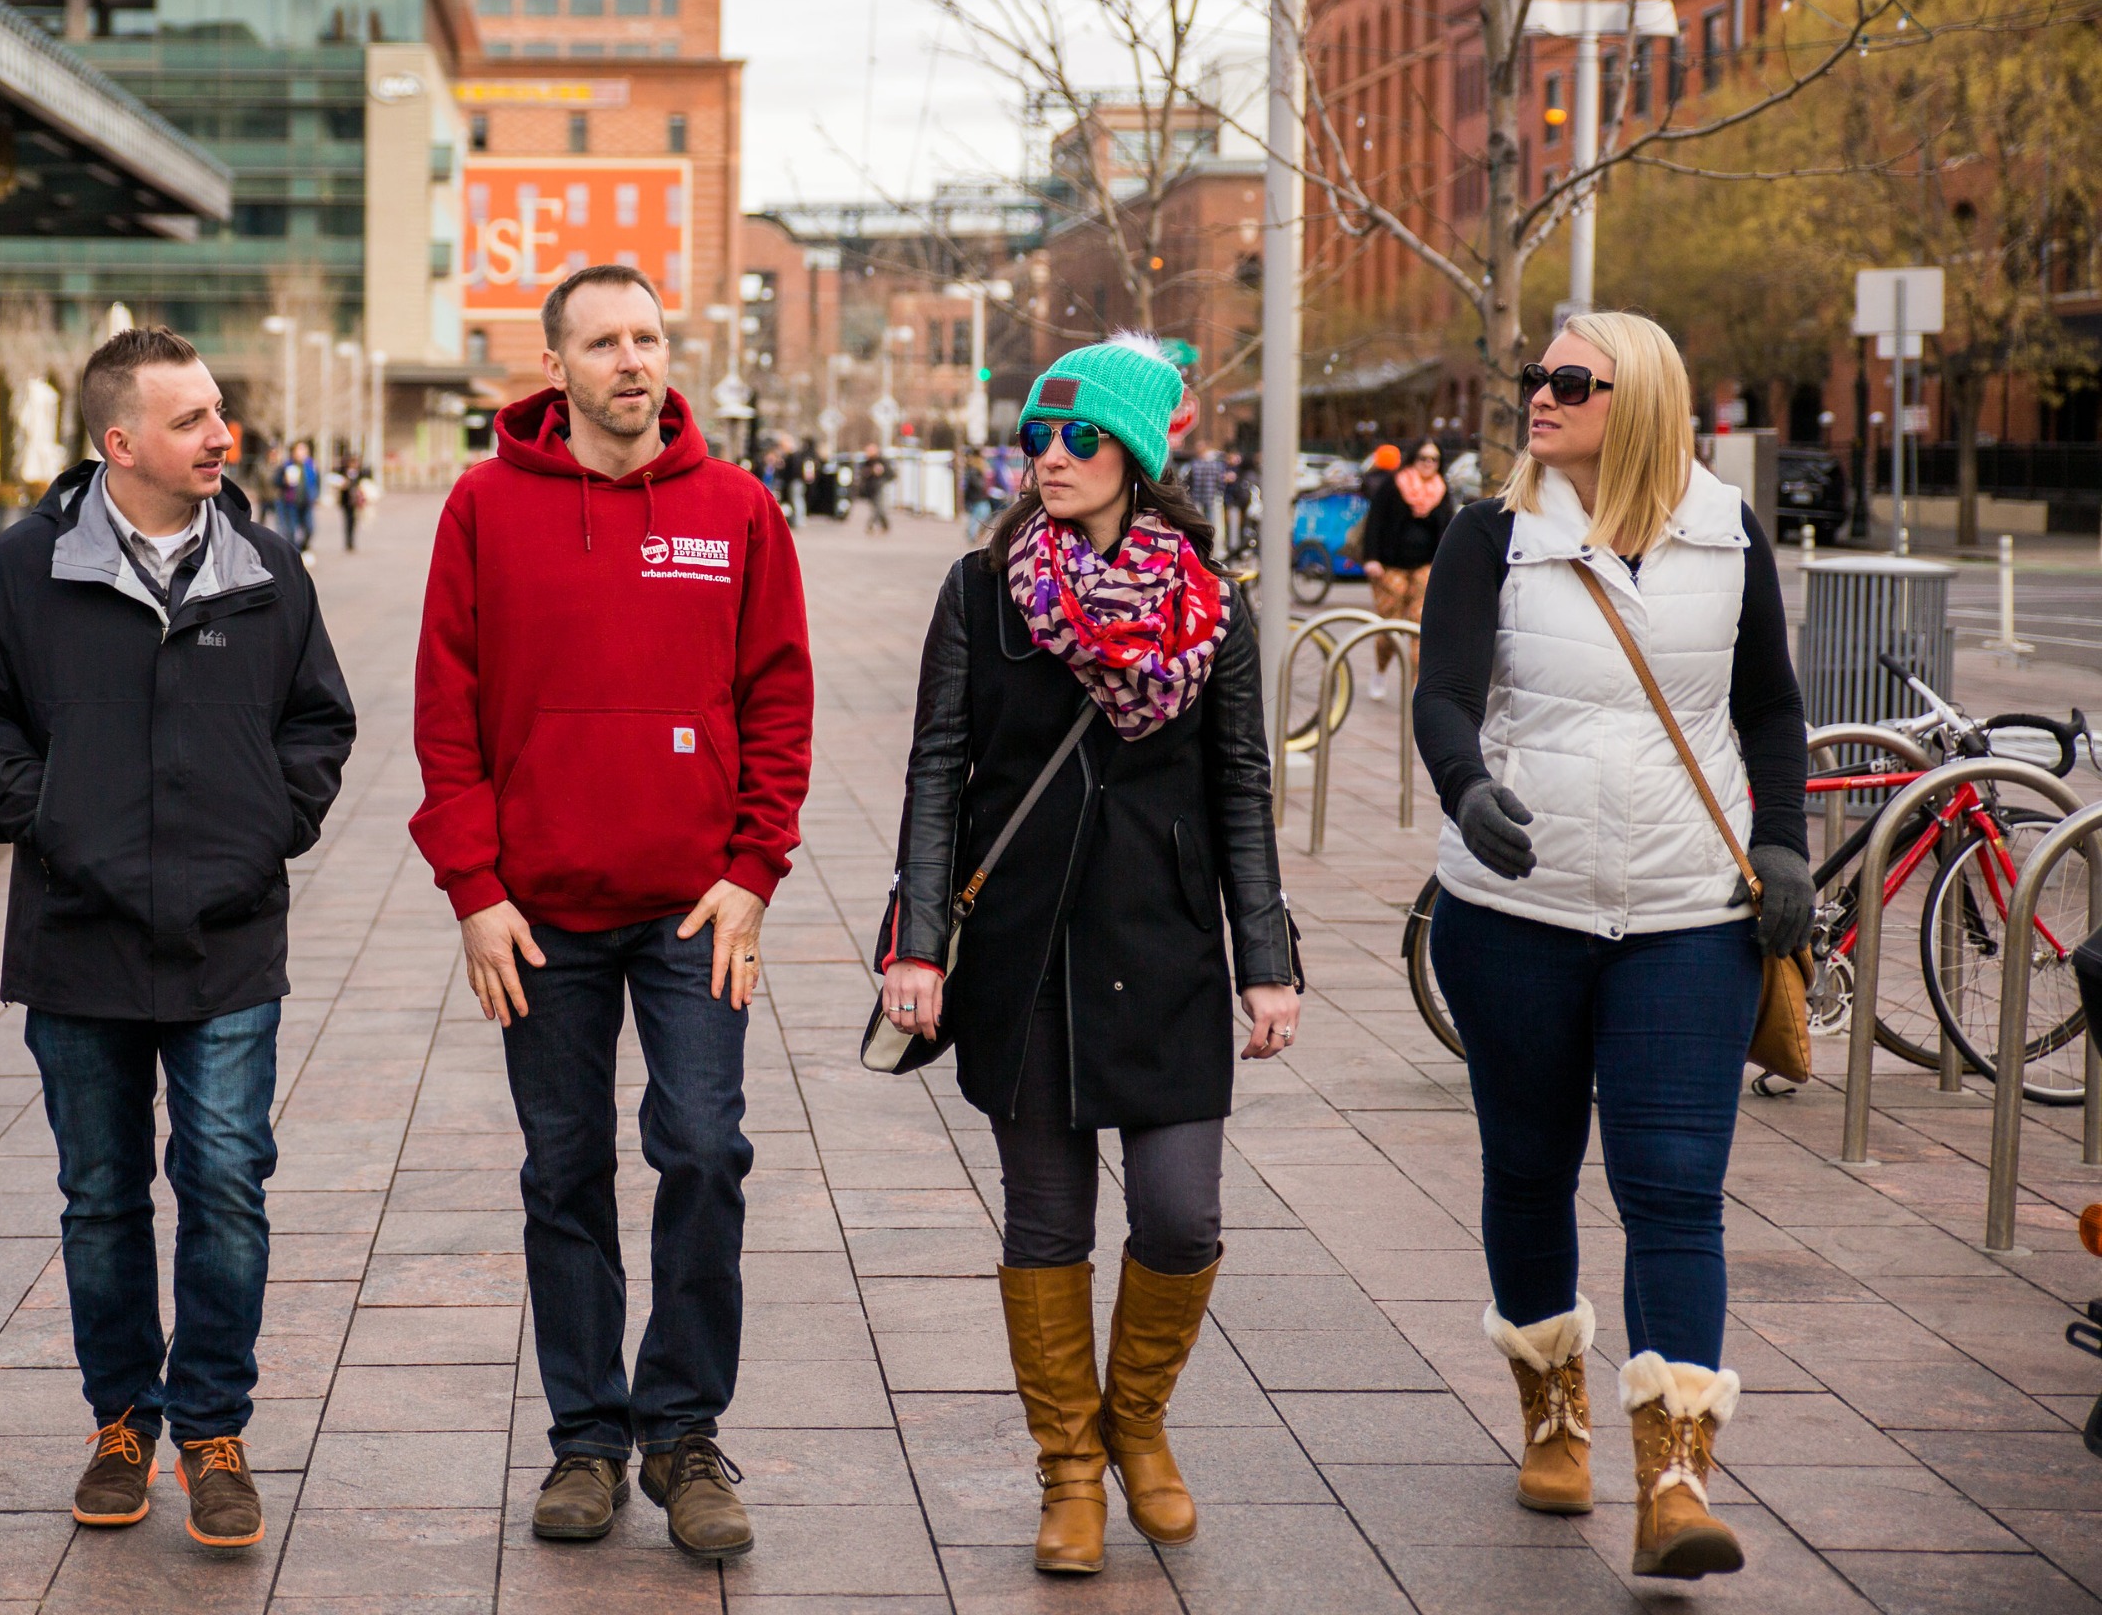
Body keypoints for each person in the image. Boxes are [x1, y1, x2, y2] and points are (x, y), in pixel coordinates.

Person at [0, 327, 356, 1550]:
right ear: (120, 443)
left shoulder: (269, 565)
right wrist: (48, 818)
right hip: (76, 938)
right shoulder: (23, 569)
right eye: (191, 419)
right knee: (102, 1194)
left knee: (226, 1183)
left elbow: (319, 717)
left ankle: (213, 1428)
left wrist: (269, 824)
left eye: (220, 412)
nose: (223, 434)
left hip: (227, 939)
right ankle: (123, 1418)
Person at [412, 264, 813, 1560]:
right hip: (541, 917)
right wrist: (475, 890)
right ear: (559, 366)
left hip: (696, 908)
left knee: (705, 1150)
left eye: (647, 337)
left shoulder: (738, 507)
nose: (633, 360)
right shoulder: (482, 508)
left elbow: (779, 699)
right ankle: (588, 1437)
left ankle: (684, 1434)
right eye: (604, 342)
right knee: (564, 1170)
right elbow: (446, 712)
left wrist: (753, 870)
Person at [881, 337, 1299, 1576]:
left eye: (1080, 438)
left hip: (1165, 943)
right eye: (1037, 439)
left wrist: (1263, 956)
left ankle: (1141, 1423)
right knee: (1047, 1216)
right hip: (1023, 945)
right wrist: (920, 941)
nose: (1051, 459)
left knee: (1181, 1212)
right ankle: (1070, 1468)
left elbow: (1241, 782)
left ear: (1136, 456)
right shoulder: (982, 589)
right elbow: (935, 774)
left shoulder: (1212, 607)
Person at [1414, 311, 1810, 1580]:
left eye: (1569, 381)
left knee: (1676, 1185)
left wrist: (1790, 849)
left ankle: (1677, 1474)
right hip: (1516, 917)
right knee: (1530, 1166)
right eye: (1536, 376)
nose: (1540, 394)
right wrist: (1468, 785)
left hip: (1691, 915)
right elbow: (1443, 692)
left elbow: (1769, 707)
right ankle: (1554, 1411)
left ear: (1635, 398)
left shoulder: (1727, 531)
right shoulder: (1493, 534)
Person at [1360, 438, 1455, 698]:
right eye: (1424, 458)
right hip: (1391, 566)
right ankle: (1380, 670)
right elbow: (1375, 522)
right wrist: (1372, 558)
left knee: (1419, 623)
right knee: (1389, 625)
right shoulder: (1394, 484)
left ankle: (1417, 684)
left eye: (1434, 459)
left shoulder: (1441, 490)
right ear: (1413, 458)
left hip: (1425, 565)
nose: (1429, 464)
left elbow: (1447, 529)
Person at [859, 448, 894, 536]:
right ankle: (885, 525)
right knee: (877, 508)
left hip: (879, 487)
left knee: (877, 507)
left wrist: (882, 472)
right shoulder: (867, 462)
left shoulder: (882, 461)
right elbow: (863, 474)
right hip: (870, 489)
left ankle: (870, 526)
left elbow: (892, 474)